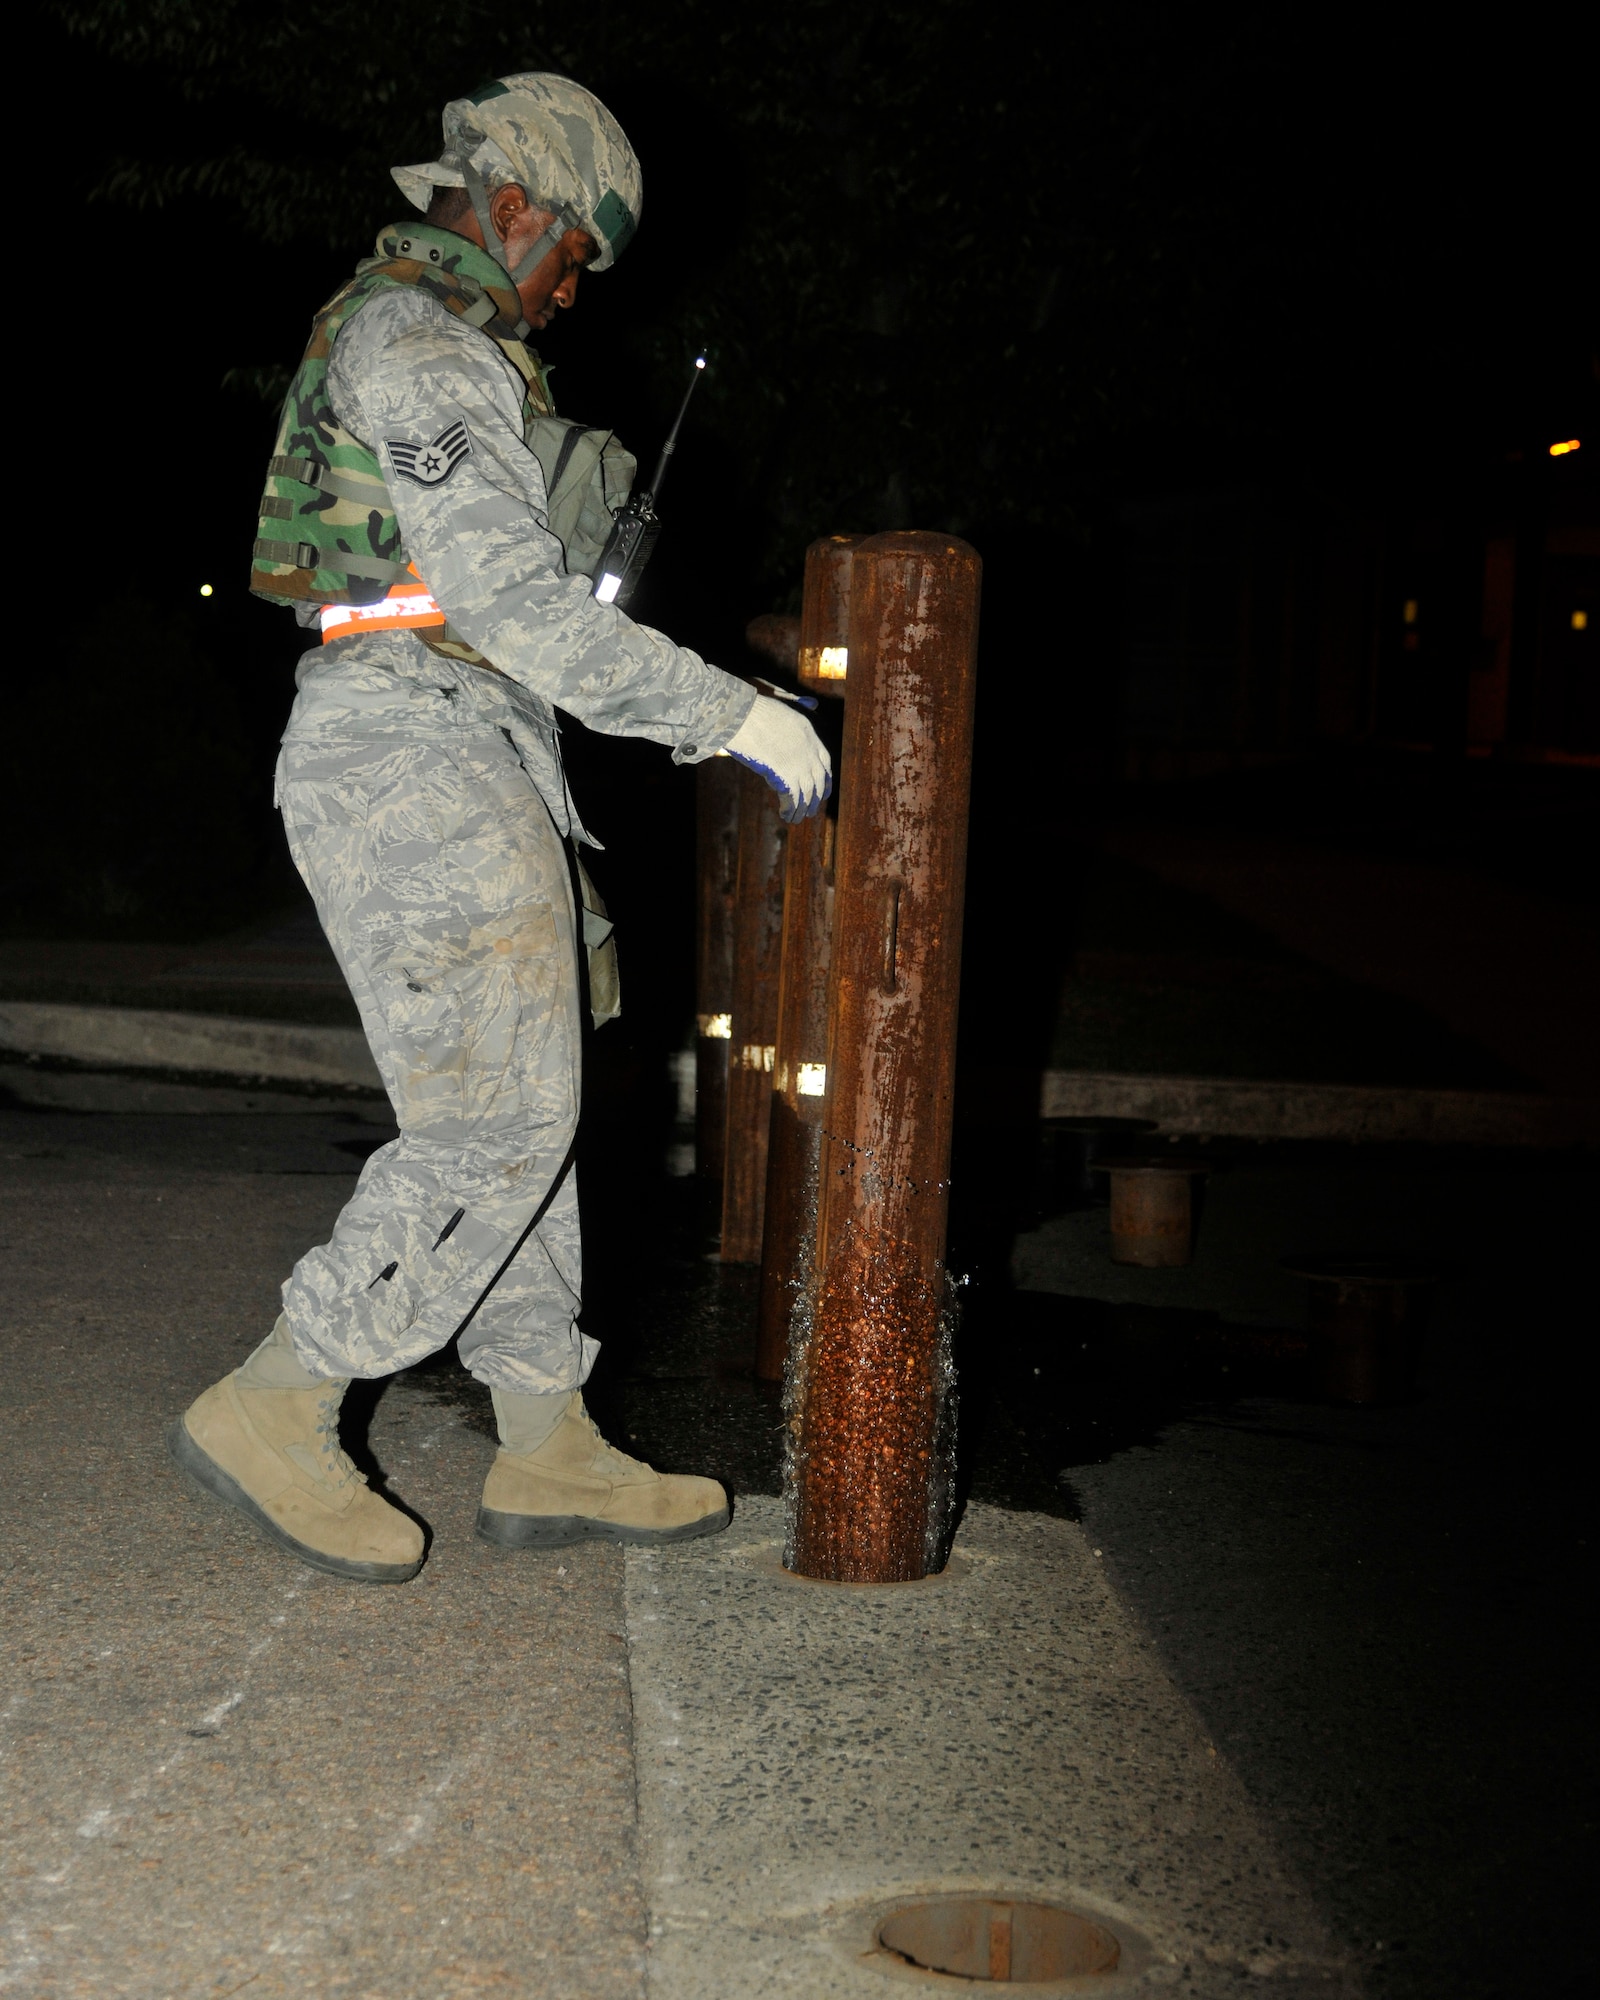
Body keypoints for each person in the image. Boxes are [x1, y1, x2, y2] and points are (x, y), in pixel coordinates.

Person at [168, 73, 830, 1583]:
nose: (573, 285)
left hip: (460, 740)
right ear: (517, 205)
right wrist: (733, 713)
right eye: (574, 249)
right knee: (496, 1125)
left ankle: (546, 1436)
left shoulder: (444, 350)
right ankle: (283, 1396)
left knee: (528, 1100)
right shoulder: (420, 345)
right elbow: (513, 609)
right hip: (411, 746)